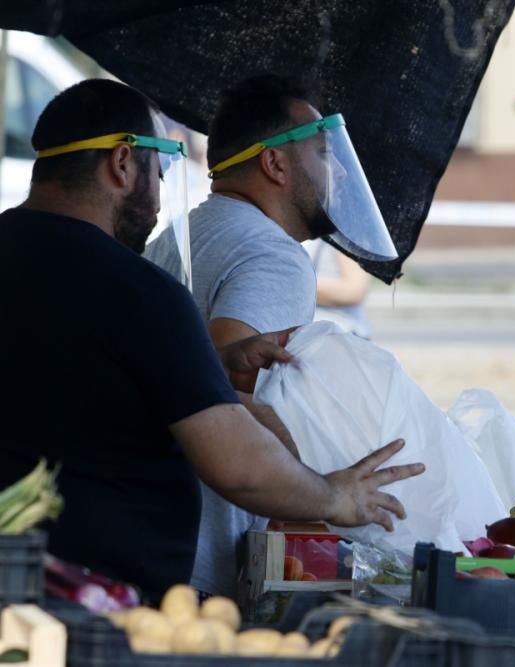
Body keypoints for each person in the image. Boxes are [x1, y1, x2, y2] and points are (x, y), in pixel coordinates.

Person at [0, 78, 422, 602]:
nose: (158, 198)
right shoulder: (140, 292)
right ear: (123, 163)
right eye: (160, 170)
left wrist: (207, 363)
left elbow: (69, 370)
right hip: (104, 605)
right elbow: (239, 467)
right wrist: (334, 496)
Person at [144, 74, 396, 599]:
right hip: (203, 567)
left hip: (157, 539)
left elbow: (194, 371)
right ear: (275, 163)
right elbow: (230, 402)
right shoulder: (273, 256)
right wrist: (325, 493)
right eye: (324, 154)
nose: (339, 174)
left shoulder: (185, 233)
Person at [305, 239, 372, 338]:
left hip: (339, 332)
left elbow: (354, 290)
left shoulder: (345, 228)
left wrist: (294, 283)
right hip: (302, 332)